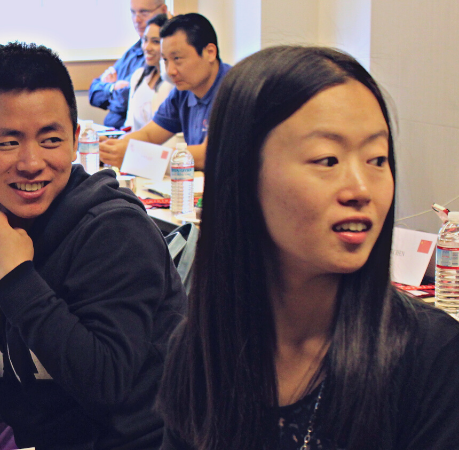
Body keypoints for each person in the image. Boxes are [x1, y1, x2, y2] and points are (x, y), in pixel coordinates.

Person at [158, 46, 459, 450]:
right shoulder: (201, 349)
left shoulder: (430, 357)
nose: (361, 189)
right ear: (243, 174)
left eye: (377, 158)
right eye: (327, 159)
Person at [0, 42, 187, 449]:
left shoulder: (114, 230)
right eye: (9, 142)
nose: (31, 162)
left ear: (75, 139)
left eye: (50, 140)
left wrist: (17, 280)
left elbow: (107, 385)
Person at [99, 13, 229, 170]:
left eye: (178, 59)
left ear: (210, 52)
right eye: (165, 60)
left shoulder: (233, 90)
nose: (170, 71)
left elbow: (206, 156)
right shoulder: (183, 90)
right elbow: (149, 135)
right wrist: (114, 147)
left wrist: (137, 157)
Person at [88, 0, 168, 130]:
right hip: (117, 133)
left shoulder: (164, 65)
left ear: (163, 10)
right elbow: (94, 93)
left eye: (144, 12)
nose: (137, 19)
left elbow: (126, 100)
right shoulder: (133, 52)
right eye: (133, 12)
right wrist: (113, 88)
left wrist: (117, 94)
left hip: (132, 134)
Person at [125, 13, 173, 131]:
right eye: (145, 40)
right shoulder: (138, 76)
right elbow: (130, 125)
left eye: (155, 42)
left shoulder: (173, 82)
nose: (147, 47)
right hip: (135, 145)